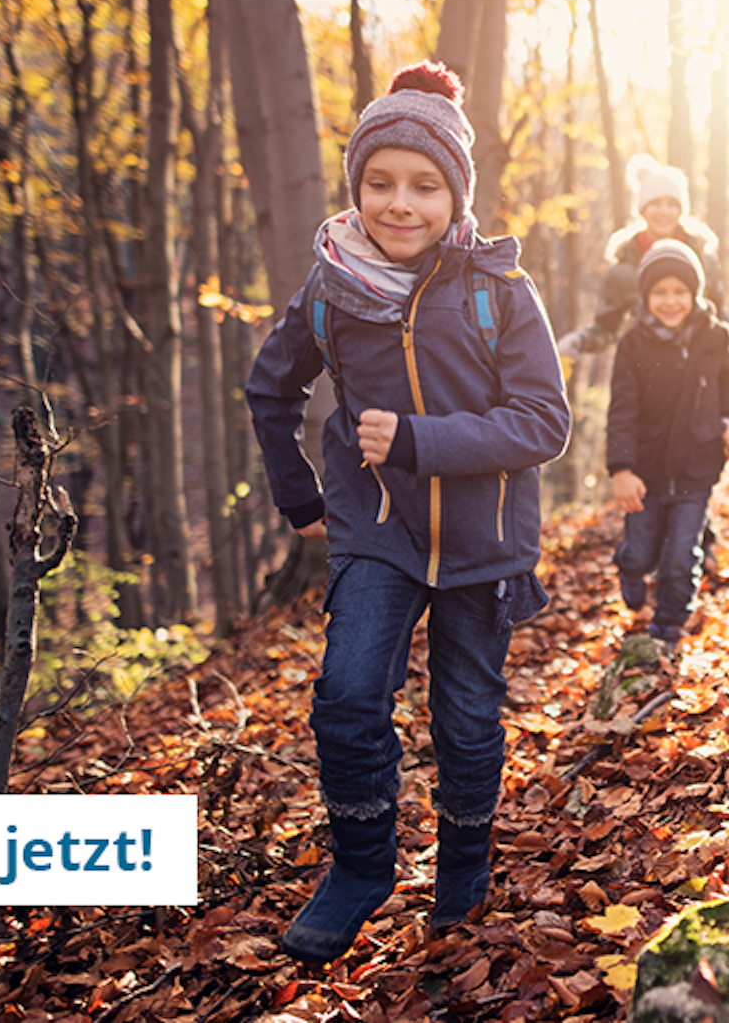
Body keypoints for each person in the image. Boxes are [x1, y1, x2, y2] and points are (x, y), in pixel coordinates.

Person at [246, 62, 570, 963]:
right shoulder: (330, 288)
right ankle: (361, 866)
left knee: (465, 719)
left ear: (455, 193)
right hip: (376, 532)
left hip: (484, 541)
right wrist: (300, 498)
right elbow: (270, 390)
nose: (400, 203)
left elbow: (544, 422)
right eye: (380, 182)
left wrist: (420, 440)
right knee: (347, 696)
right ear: (356, 188)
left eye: (424, 186)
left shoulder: (498, 290)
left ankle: (463, 862)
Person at [605, 239, 729, 650]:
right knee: (642, 551)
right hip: (646, 468)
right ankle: (630, 568)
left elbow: (728, 382)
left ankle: (667, 627)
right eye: (660, 292)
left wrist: (726, 422)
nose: (670, 301)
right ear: (646, 296)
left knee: (682, 555)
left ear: (694, 292)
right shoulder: (633, 344)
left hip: (696, 466)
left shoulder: (715, 336)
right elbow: (622, 409)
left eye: (680, 291)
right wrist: (621, 469)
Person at [555, 154, 729, 403]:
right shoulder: (624, 268)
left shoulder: (703, 258)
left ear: (681, 209)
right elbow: (607, 328)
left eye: (672, 204)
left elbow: (720, 315)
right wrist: (580, 340)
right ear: (642, 209)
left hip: (701, 376)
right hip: (651, 377)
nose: (664, 211)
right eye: (656, 203)